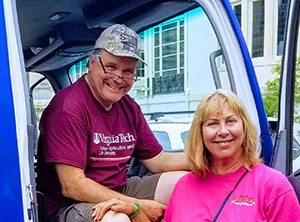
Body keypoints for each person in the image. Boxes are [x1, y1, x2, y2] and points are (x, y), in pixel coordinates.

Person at [36, 24, 189, 222]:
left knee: (186, 183)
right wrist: (136, 207)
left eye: (128, 71)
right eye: (111, 67)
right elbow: (72, 185)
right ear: (91, 63)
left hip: (119, 187)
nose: (118, 78)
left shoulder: (128, 107)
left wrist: (206, 157)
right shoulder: (68, 109)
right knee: (117, 219)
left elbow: (158, 160)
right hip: (70, 205)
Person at [164, 90, 300, 222]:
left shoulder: (273, 186)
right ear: (200, 133)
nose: (223, 131)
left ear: (244, 127)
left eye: (230, 121)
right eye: (213, 123)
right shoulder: (183, 187)